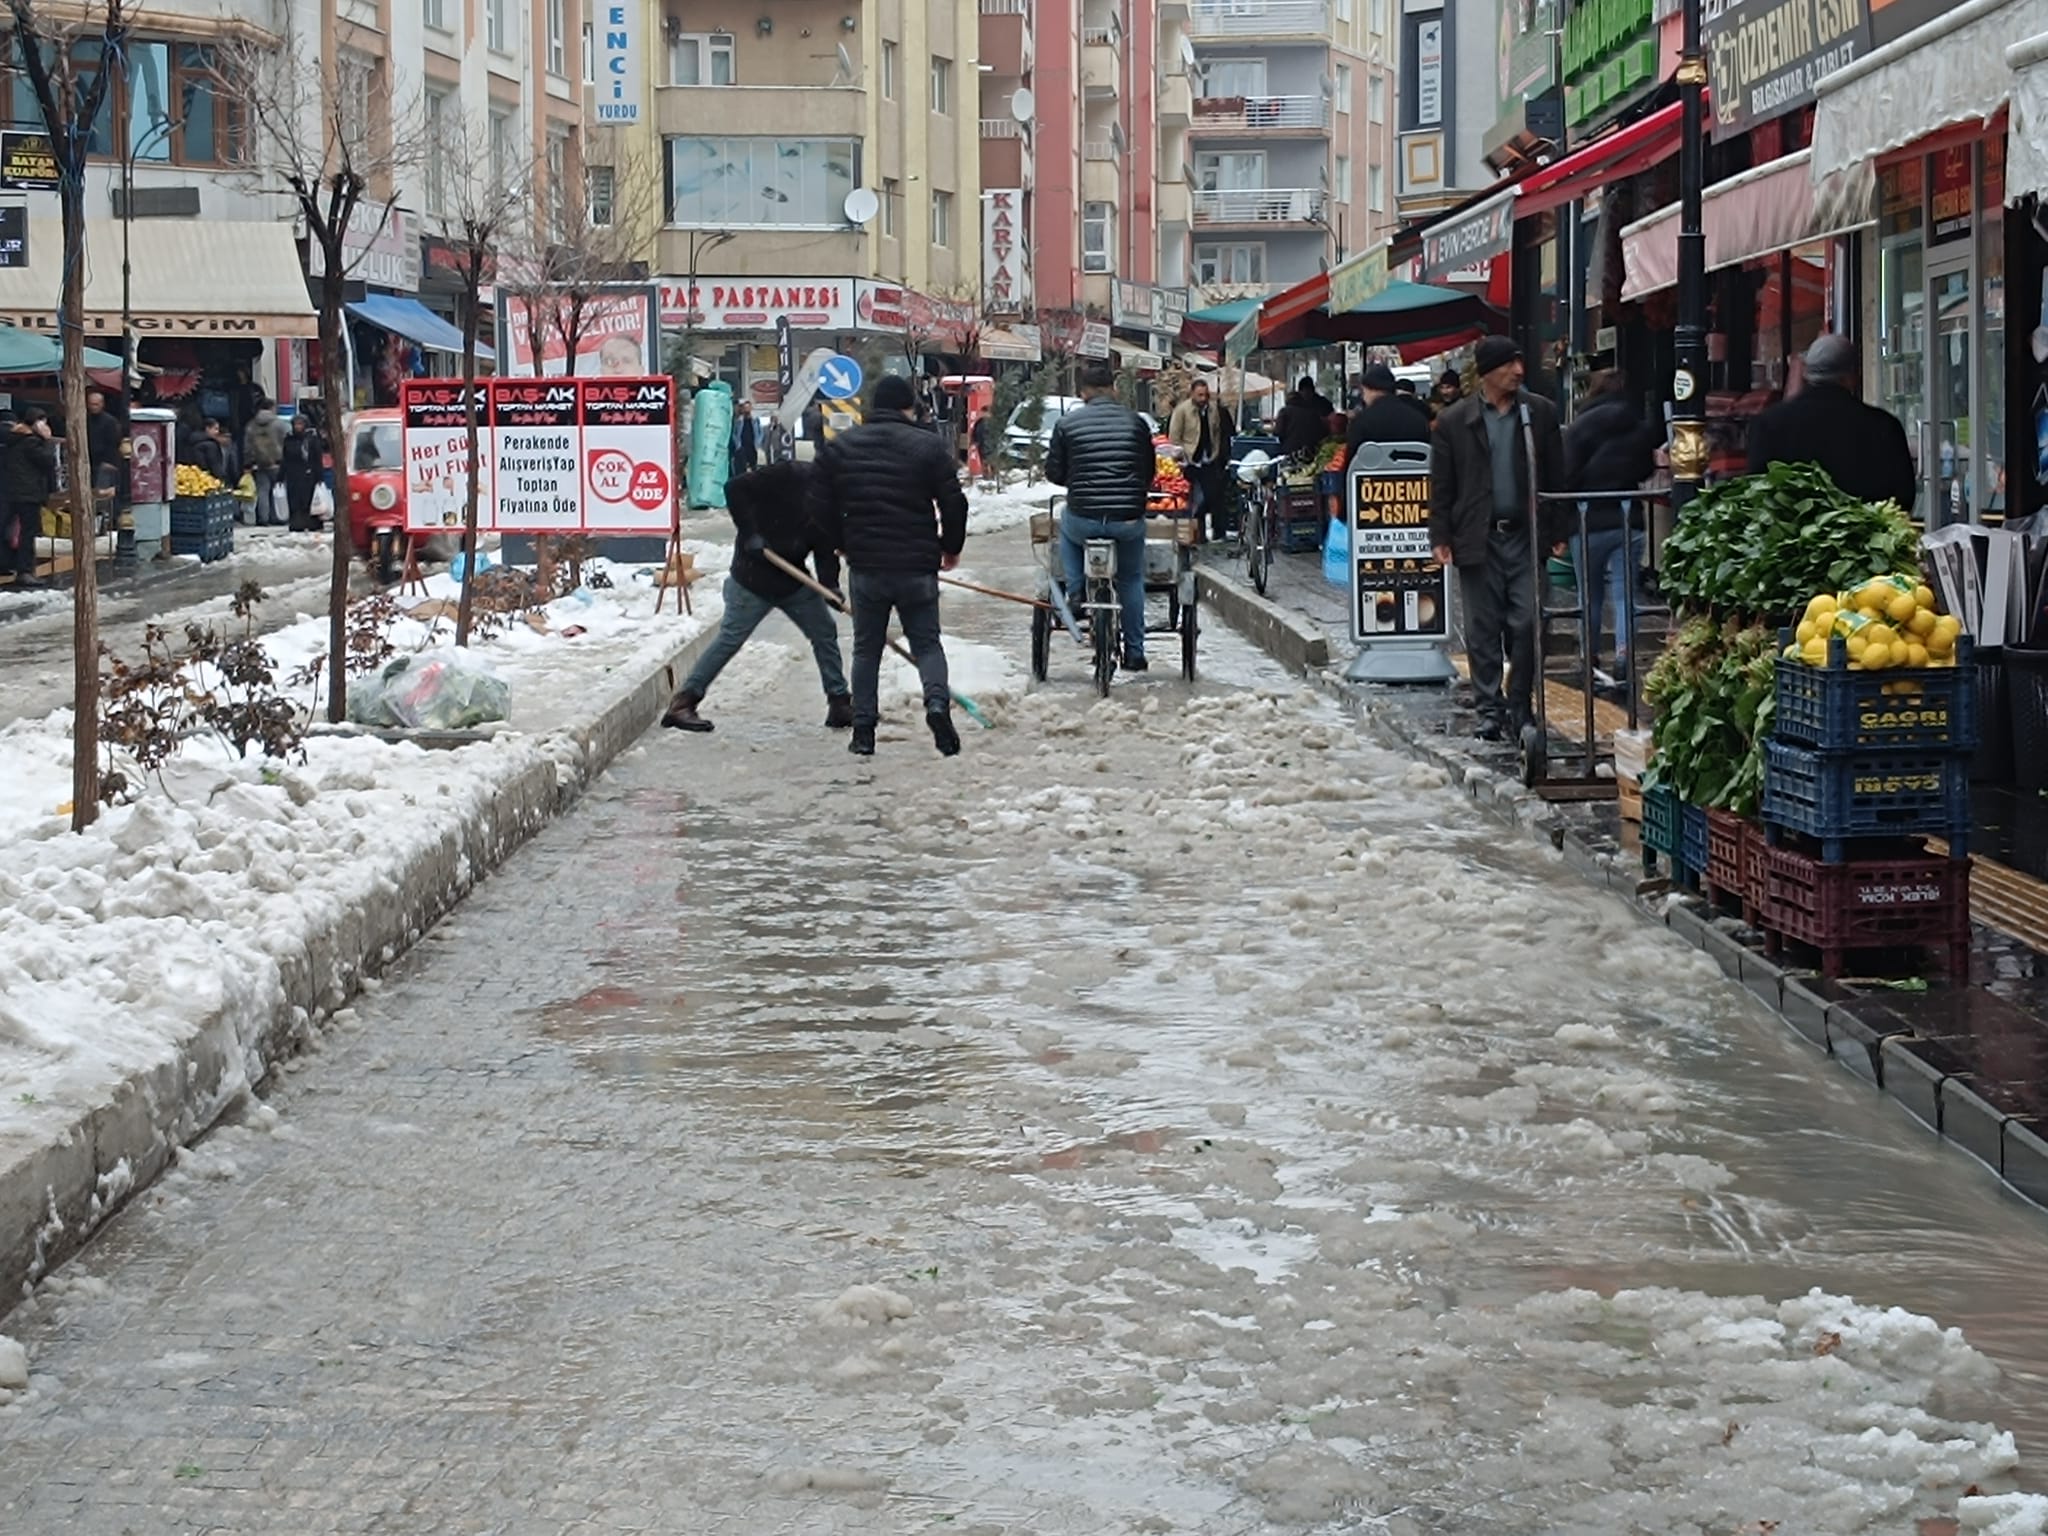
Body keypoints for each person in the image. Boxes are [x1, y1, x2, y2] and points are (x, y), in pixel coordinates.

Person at [808, 373, 969, 758]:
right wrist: (950, 547)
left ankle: (863, 731)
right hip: (917, 564)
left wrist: (841, 545)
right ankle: (936, 706)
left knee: (867, 649)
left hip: (867, 565)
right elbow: (955, 504)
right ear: (908, 407)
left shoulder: (841, 448)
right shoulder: (928, 447)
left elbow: (817, 507)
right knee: (928, 644)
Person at [1428, 336, 1565, 742]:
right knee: (1483, 628)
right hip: (1478, 537)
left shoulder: (1539, 413)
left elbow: (1557, 475)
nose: (1518, 371)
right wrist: (1441, 534)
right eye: (1509, 365)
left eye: (1520, 364)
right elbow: (1442, 483)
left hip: (1526, 536)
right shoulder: (1455, 421)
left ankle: (1519, 703)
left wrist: (1559, 530)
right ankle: (1490, 708)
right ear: (1488, 372)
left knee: (1528, 622)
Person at [662, 460, 851, 734]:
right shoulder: (789, 474)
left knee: (824, 632)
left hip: (793, 580)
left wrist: (830, 586)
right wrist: (750, 532)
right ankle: (683, 703)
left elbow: (825, 551)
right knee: (730, 639)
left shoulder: (829, 509)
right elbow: (734, 488)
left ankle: (839, 703)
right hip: (752, 577)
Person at [1047, 358, 1156, 672]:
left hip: (1084, 517)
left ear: (1083, 393)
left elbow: (1054, 472)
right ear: (1114, 389)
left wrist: (1077, 478)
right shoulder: (1136, 423)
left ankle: (1076, 591)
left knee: (1066, 527)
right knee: (1131, 578)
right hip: (1127, 520)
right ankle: (1135, 653)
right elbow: (1147, 472)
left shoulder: (1067, 424)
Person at [1563, 369, 1659, 688]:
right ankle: (1623, 655)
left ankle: (1589, 657)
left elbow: (1567, 474)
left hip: (1587, 520)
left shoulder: (1578, 427)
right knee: (1624, 594)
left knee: (1588, 595)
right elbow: (1646, 468)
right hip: (1627, 518)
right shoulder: (1639, 426)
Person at [1745, 334, 1917, 511]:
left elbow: (1757, 494)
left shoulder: (1768, 424)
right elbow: (1903, 497)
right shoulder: (1884, 426)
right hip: (1866, 535)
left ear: (1806, 373)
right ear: (1852, 375)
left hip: (1792, 536)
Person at [1167, 377, 1233, 543]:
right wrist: (1180, 458)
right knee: (1195, 498)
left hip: (1210, 459)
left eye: (1205, 395)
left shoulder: (1213, 410)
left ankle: (1213, 532)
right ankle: (1198, 534)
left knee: (1211, 496)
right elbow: (1174, 437)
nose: (1203, 399)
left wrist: (1219, 454)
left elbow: (1218, 432)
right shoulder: (1182, 411)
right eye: (1200, 395)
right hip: (1190, 460)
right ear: (1192, 394)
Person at [4, 405, 56, 589]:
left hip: (13, 492)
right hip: (28, 493)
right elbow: (47, 461)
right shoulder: (31, 442)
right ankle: (25, 571)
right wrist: (48, 441)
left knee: (10, 529)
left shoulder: (14, 439)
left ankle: (11, 565)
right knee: (28, 532)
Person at [1345, 365, 1427, 458]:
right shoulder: (1418, 419)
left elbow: (1352, 460)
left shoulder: (1361, 421)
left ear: (1369, 389)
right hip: (1414, 471)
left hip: (1372, 472)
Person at [242, 395, 286, 527]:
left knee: (262, 491)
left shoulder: (251, 425)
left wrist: (248, 463)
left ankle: (263, 518)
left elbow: (247, 447)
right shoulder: (279, 423)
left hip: (260, 463)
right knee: (279, 491)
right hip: (278, 462)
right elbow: (286, 440)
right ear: (272, 408)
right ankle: (278, 516)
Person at [281, 413, 325, 532]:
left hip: (309, 475)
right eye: (296, 424)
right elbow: (285, 458)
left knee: (309, 501)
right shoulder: (289, 439)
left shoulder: (312, 439)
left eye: (300, 424)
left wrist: (319, 477)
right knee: (295, 502)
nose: (298, 427)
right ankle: (297, 524)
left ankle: (312, 524)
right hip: (293, 476)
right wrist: (281, 476)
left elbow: (317, 458)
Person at [1276, 374, 1335, 460]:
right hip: (1311, 452)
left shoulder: (1285, 411)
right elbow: (1322, 431)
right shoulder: (1314, 411)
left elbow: (1278, 432)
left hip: (1289, 452)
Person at [728, 399, 759, 480]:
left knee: (753, 467)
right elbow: (734, 433)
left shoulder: (755, 420)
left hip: (752, 446)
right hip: (742, 447)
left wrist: (757, 443)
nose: (746, 409)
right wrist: (738, 444)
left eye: (748, 407)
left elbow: (760, 432)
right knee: (741, 468)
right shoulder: (739, 420)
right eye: (745, 408)